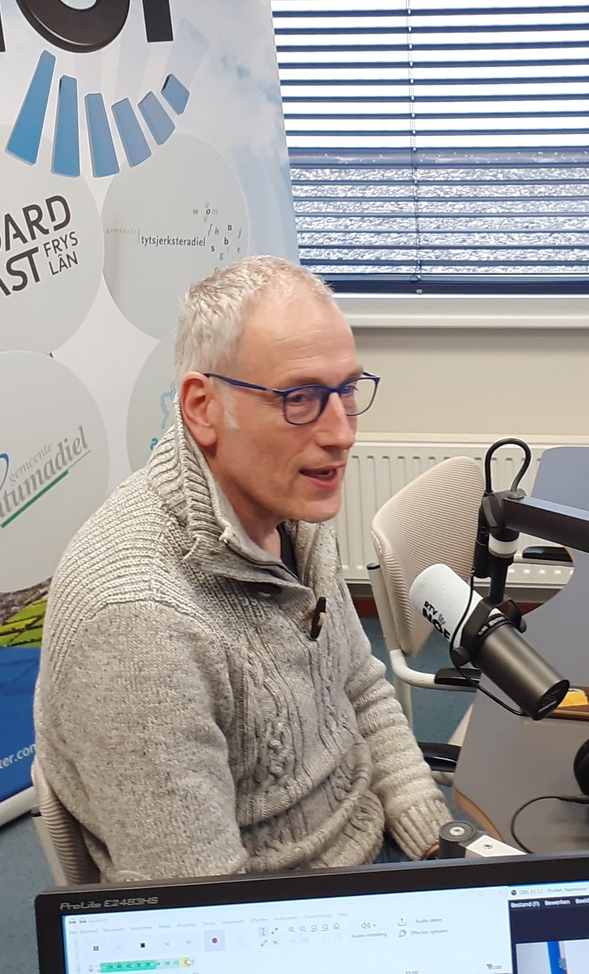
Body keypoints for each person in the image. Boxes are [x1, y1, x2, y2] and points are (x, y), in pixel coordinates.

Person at [35, 256, 451, 881]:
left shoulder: (290, 509)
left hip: (374, 844)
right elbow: (202, 907)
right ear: (203, 407)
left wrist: (437, 842)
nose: (341, 433)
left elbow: (360, 688)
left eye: (346, 391)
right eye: (300, 398)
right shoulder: (138, 626)